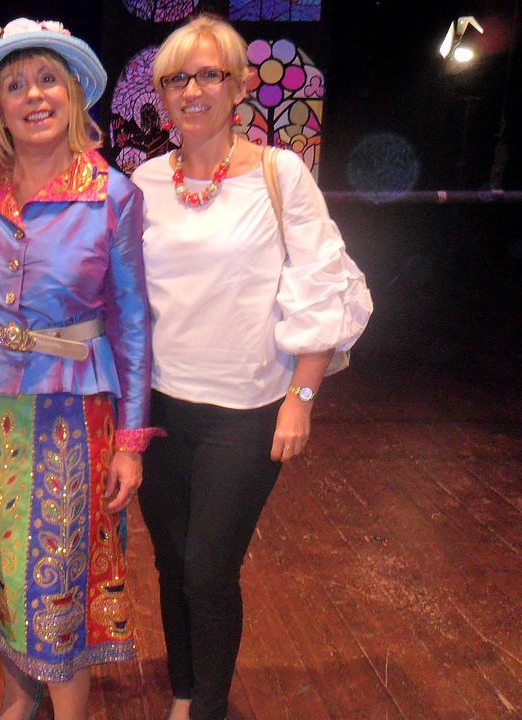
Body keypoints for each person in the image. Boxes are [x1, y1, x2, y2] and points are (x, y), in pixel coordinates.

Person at [130, 14, 373, 720]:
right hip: (159, 406)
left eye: (209, 74)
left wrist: (302, 396)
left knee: (209, 569)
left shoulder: (280, 173)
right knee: (170, 564)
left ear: (238, 85)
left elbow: (322, 283)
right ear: (162, 94)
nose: (193, 90)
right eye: (177, 78)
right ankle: (183, 693)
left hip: (247, 410)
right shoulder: (143, 181)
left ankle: (208, 705)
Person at [0, 17, 156, 720]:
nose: (33, 95)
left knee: (60, 573)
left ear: (72, 94)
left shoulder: (112, 194)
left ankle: (68, 711)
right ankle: (19, 696)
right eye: (14, 85)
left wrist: (131, 440)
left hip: (72, 416)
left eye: (46, 80)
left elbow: (132, 323)